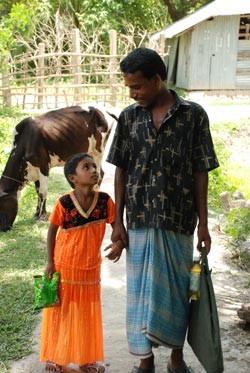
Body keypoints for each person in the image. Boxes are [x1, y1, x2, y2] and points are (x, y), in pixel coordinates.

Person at [106, 47, 219, 373]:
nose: (133, 93)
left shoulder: (193, 115)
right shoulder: (129, 117)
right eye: (129, 86)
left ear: (158, 79)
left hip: (179, 218)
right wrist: (117, 223)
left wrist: (204, 225)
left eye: (138, 86)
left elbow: (201, 170)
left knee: (176, 292)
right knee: (140, 293)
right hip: (139, 218)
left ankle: (175, 356)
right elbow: (121, 170)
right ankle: (145, 359)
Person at [40, 152, 123, 373]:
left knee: (87, 313)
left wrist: (118, 244)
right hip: (65, 266)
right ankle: (56, 358)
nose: (93, 170)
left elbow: (116, 226)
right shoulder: (64, 203)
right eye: (86, 167)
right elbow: (52, 232)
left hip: (90, 268)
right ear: (73, 178)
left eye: (94, 166)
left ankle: (86, 360)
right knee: (63, 312)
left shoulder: (105, 201)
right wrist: (50, 262)